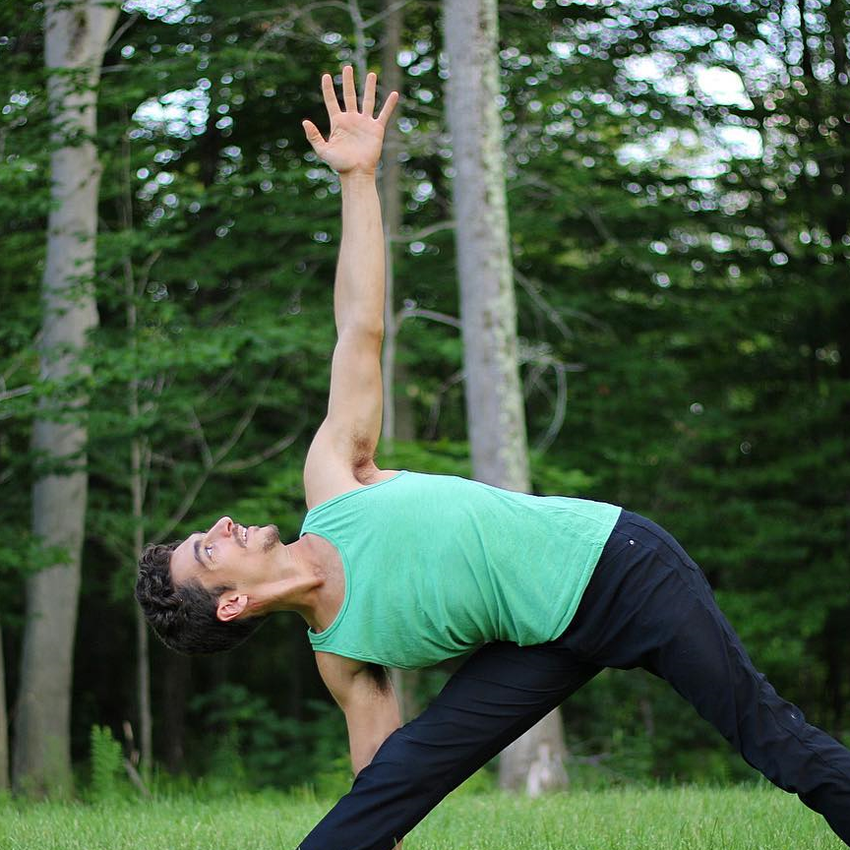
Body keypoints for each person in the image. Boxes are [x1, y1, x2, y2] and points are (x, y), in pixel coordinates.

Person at [135, 67, 850, 850]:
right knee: (392, 784)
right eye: (208, 548)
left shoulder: (334, 485)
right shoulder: (343, 657)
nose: (225, 524)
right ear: (230, 603)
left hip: (620, 567)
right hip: (539, 644)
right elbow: (386, 790)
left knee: (770, 739)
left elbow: (359, 330)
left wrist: (361, 180)